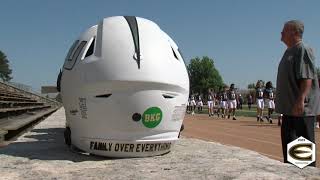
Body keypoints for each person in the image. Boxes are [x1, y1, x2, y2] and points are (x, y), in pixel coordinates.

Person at [276, 20, 320, 167]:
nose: (281, 33)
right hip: (289, 110)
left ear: (294, 32)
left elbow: (307, 77)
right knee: (291, 156)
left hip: (301, 111)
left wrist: (301, 100)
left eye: (284, 30)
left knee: (303, 156)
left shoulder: (302, 49)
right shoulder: (289, 51)